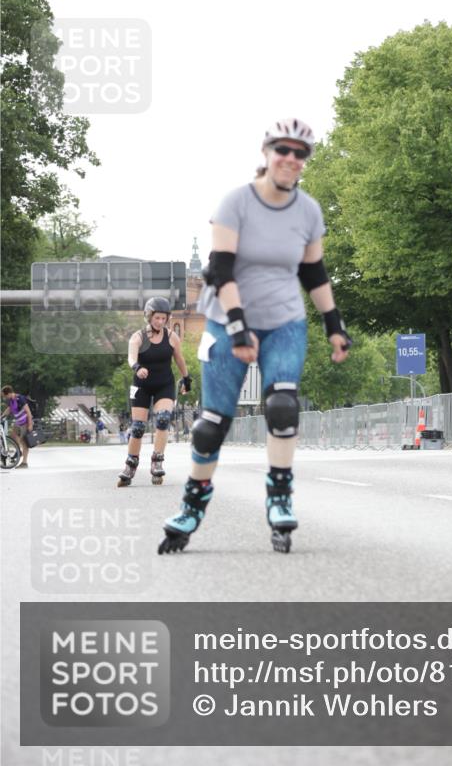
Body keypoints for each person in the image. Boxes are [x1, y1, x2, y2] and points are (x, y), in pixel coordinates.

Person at [158, 117, 351, 555]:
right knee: (211, 427)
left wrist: (334, 325)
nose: (290, 159)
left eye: (300, 153)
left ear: (305, 162)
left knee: (283, 405)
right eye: (282, 150)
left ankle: (279, 499)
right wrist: (240, 325)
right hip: (227, 320)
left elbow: (313, 271)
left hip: (284, 320)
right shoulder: (235, 203)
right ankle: (191, 507)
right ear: (266, 154)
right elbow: (220, 269)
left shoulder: (308, 211)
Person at [118, 296, 192, 487]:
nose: (160, 322)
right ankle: (131, 464)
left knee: (163, 419)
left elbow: (180, 359)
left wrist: (186, 378)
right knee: (138, 428)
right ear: (149, 317)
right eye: (157, 318)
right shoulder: (139, 337)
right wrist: (136, 367)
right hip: (141, 385)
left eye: (163, 318)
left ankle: (157, 461)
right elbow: (131, 357)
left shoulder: (171, 337)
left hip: (163, 385)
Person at [1, 385, 34, 468]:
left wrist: (30, 425)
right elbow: (9, 409)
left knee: (24, 442)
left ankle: (24, 463)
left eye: (4, 396)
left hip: (25, 422)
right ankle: (19, 450)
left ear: (8, 393)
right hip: (18, 422)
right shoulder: (11, 400)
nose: (4, 398)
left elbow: (28, 412)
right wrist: (1, 416)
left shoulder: (20, 399)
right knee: (12, 436)